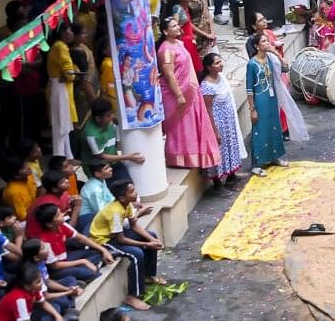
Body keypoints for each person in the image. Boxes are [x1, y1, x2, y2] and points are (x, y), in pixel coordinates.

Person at [156, 17, 221, 170]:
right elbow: (170, 74)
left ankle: (195, 155)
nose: (178, 27)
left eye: (177, 25)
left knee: (190, 125)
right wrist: (179, 95)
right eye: (173, 26)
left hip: (190, 90)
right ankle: (179, 158)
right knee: (180, 127)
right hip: (178, 93)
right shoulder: (166, 50)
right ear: (165, 31)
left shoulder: (178, 43)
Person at [90, 180, 161, 312]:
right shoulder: (115, 212)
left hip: (116, 235)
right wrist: (146, 244)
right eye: (132, 191)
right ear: (122, 197)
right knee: (136, 254)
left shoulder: (126, 204)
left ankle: (148, 275)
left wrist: (152, 239)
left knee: (152, 235)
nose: (136, 193)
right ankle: (132, 296)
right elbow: (121, 239)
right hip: (104, 241)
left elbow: (134, 225)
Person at [245, 33, 307, 176]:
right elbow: (249, 89)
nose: (268, 43)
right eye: (264, 41)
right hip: (260, 100)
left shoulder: (270, 59)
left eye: (268, 41)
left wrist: (276, 53)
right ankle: (256, 164)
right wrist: (252, 109)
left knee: (274, 127)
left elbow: (285, 68)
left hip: (272, 99)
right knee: (260, 129)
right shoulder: (252, 64)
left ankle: (274, 157)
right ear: (256, 46)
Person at [199, 53, 246, 192]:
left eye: (221, 62)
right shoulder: (206, 85)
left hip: (228, 122)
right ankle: (217, 183)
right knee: (219, 151)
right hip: (218, 124)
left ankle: (231, 175)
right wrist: (215, 131)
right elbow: (208, 110)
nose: (221, 65)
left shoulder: (221, 78)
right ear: (209, 67)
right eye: (217, 63)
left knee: (230, 147)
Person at [46, 23, 80, 159]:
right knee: (60, 126)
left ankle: (68, 156)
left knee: (65, 125)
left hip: (61, 86)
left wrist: (73, 73)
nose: (72, 34)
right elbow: (69, 72)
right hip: (60, 88)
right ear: (64, 32)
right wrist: (74, 74)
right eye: (70, 31)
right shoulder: (60, 47)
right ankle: (60, 158)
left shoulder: (60, 46)